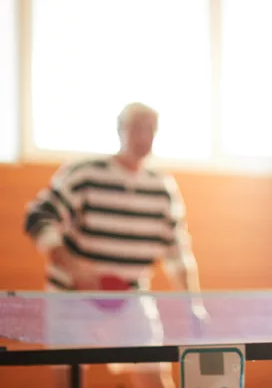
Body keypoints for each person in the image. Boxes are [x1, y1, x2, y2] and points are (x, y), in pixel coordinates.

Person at [23, 102, 204, 388]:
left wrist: (193, 305)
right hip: (71, 297)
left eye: (150, 129)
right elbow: (38, 217)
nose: (143, 136)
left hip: (131, 298)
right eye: (136, 128)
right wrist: (74, 268)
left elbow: (178, 253)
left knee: (153, 375)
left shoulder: (162, 187)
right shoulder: (85, 173)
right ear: (120, 130)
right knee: (69, 379)